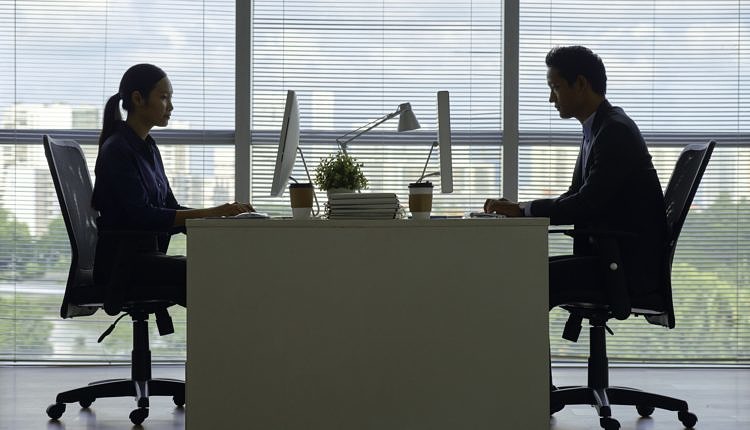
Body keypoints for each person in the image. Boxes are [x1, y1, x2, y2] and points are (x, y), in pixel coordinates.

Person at [485, 45, 668, 311]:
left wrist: (523, 210)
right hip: (611, 258)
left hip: (627, 269)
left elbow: (585, 205)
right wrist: (520, 208)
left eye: (555, 87)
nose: (551, 98)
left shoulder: (614, 131)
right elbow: (574, 195)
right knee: (526, 273)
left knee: (526, 279)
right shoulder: (597, 129)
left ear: (580, 83)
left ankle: (520, 354)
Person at [92, 63, 254, 308]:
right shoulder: (117, 150)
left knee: (222, 271)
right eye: (164, 97)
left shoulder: (148, 147)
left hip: (144, 257)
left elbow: (170, 207)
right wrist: (214, 212)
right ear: (138, 99)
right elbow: (142, 216)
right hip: (123, 265)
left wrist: (222, 221)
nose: (171, 106)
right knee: (211, 278)